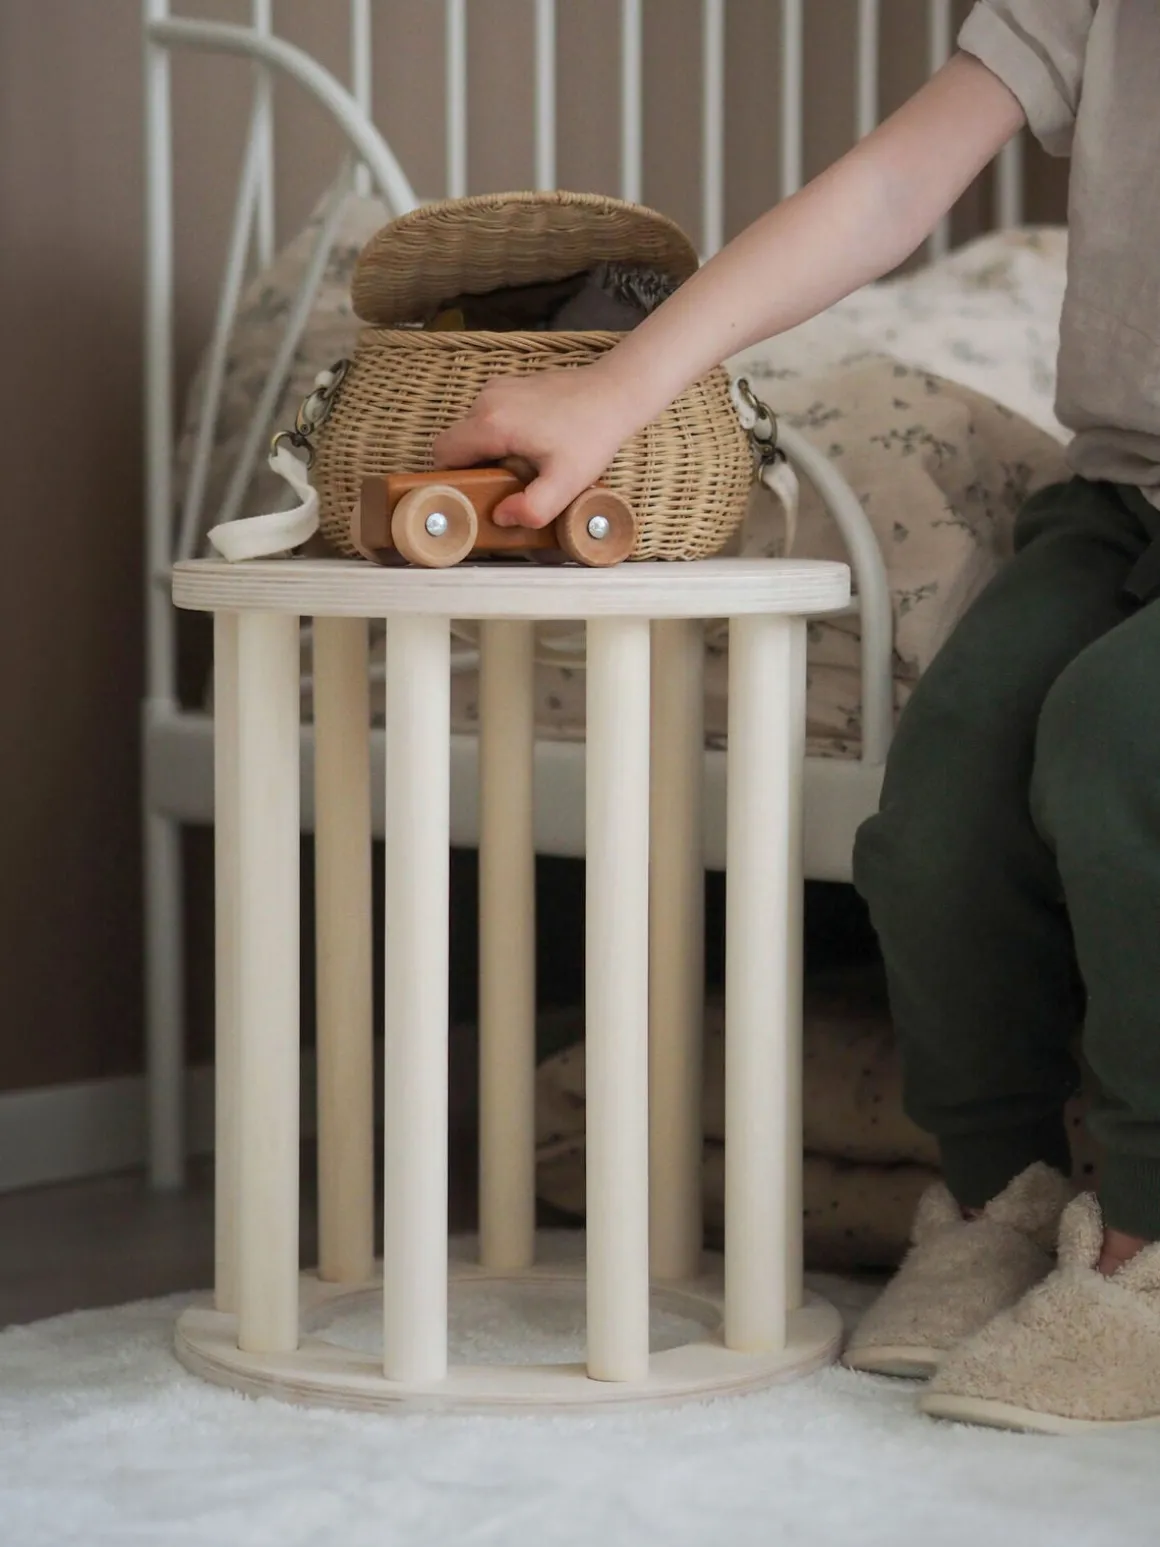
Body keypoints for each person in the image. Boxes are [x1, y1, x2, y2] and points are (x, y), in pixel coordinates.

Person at [433, 1, 1160, 1433]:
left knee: (1118, 737)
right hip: (1124, 491)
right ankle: (999, 1198)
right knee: (943, 795)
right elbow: (889, 188)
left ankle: (1144, 1246)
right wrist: (621, 388)